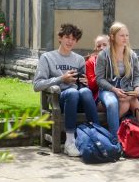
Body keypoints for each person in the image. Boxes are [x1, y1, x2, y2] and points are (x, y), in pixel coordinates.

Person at [33, 23, 99, 156]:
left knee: (85, 91)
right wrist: (61, 79)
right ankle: (69, 142)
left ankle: (96, 136)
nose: (70, 41)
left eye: (74, 39)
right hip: (60, 99)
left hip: (79, 100)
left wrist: (84, 82)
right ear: (60, 38)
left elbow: (83, 85)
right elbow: (37, 85)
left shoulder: (79, 59)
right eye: (67, 37)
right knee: (72, 92)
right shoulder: (47, 57)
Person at [95, 22, 139, 138]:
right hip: (109, 89)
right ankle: (115, 140)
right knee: (112, 103)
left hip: (129, 88)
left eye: (127, 35)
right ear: (113, 37)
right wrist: (114, 89)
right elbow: (99, 79)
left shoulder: (132, 55)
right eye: (122, 35)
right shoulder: (103, 55)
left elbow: (137, 76)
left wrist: (137, 88)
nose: (125, 38)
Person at [85, 34, 109, 101]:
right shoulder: (90, 62)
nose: (101, 48)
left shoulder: (117, 60)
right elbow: (91, 85)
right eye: (99, 46)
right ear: (96, 49)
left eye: (104, 45)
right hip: (98, 96)